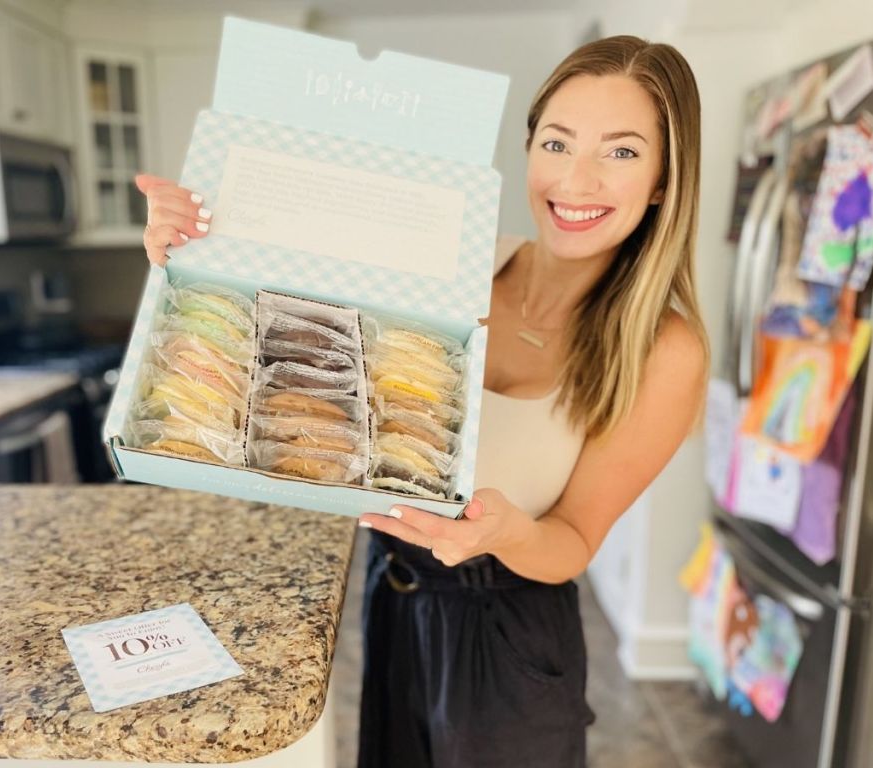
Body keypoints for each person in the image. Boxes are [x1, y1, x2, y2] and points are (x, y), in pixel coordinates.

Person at [136, 34, 707, 768]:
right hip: (396, 593)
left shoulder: (664, 350)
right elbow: (285, 313)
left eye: (622, 152)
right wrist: (196, 244)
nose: (577, 179)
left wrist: (506, 533)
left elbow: (574, 539)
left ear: (664, 179)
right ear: (530, 149)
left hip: (507, 630)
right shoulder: (457, 265)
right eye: (558, 143)